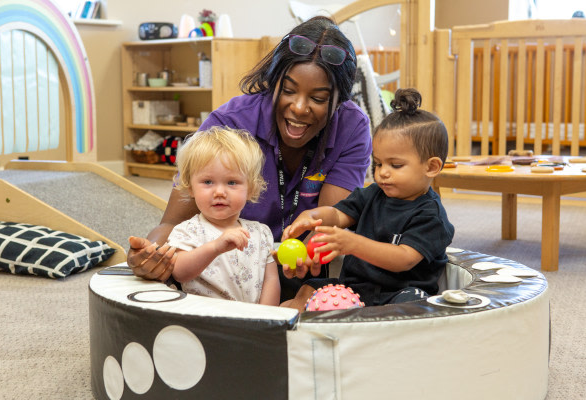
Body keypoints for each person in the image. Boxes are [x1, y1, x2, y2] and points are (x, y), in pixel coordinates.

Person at [128, 16, 373, 302]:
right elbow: (172, 223)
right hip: (225, 268)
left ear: (339, 101)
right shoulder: (227, 123)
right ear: (273, 83)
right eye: (288, 90)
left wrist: (310, 262)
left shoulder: (352, 127)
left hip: (300, 266)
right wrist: (147, 256)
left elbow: (329, 221)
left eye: (318, 98)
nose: (299, 107)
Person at [280, 88, 455, 311]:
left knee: (417, 303)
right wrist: (311, 216)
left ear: (431, 167)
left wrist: (353, 244)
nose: (382, 172)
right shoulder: (373, 194)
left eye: (396, 165)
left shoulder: (431, 216)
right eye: (379, 163)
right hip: (354, 288)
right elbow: (336, 215)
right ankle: (284, 324)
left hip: (398, 293)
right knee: (309, 288)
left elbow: (403, 259)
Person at [132, 126, 280, 306]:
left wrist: (267, 316)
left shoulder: (260, 232)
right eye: (208, 182)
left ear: (251, 189)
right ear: (190, 187)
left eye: (232, 182)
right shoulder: (187, 231)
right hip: (207, 321)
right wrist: (216, 247)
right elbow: (179, 272)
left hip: (254, 321)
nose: (219, 192)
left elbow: (271, 280)